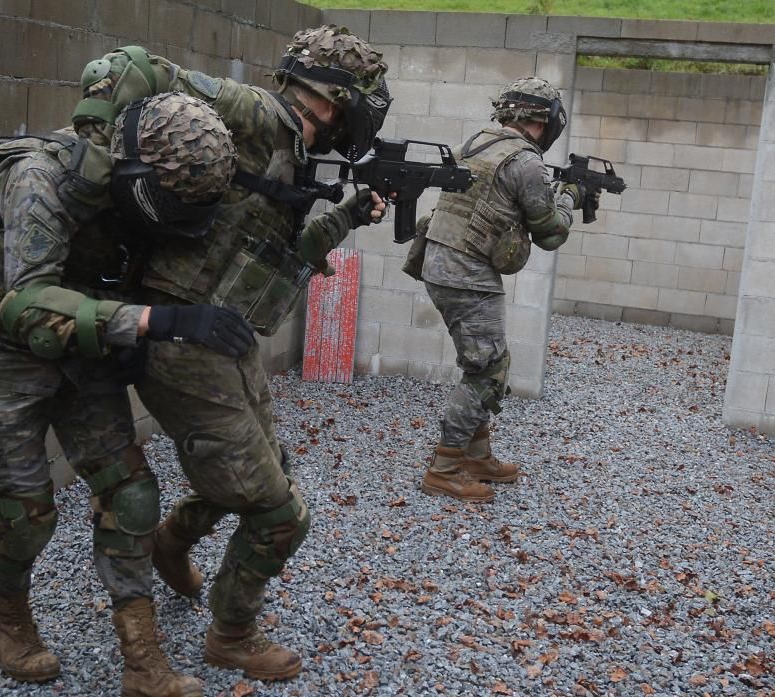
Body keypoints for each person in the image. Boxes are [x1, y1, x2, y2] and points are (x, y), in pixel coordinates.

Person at [80, 26, 391, 681]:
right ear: (333, 100)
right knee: (278, 510)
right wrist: (92, 160)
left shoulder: (294, 147)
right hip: (181, 339)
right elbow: (130, 64)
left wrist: (350, 215)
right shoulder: (253, 112)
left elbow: (285, 254)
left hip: (228, 335)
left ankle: (172, 540)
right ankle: (232, 633)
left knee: (266, 467)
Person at [0, 87, 247, 697]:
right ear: (138, 174)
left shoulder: (159, 186)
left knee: (131, 494)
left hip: (82, 346)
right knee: (26, 510)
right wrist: (154, 322)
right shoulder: (41, 181)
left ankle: (143, 661)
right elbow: (27, 306)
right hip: (2, 347)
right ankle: (9, 622)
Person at [405, 76, 593, 503]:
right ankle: (445, 468)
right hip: (465, 271)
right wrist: (570, 197)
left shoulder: (476, 142)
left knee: (487, 361)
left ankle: (478, 456)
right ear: (546, 122)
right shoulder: (525, 162)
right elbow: (550, 233)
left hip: (441, 262)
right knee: (487, 369)